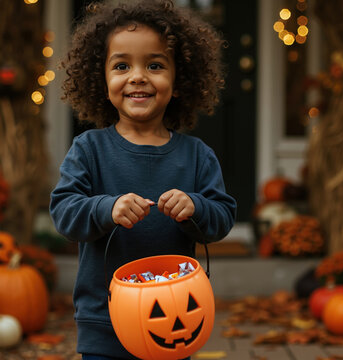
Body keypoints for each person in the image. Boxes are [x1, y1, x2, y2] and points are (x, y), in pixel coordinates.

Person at [49, 0, 236, 358]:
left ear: (178, 81)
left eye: (154, 65)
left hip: (173, 320)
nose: (138, 76)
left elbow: (222, 217)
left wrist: (195, 206)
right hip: (104, 320)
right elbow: (64, 212)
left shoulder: (197, 155)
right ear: (101, 81)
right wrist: (107, 208)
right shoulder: (89, 149)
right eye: (121, 65)